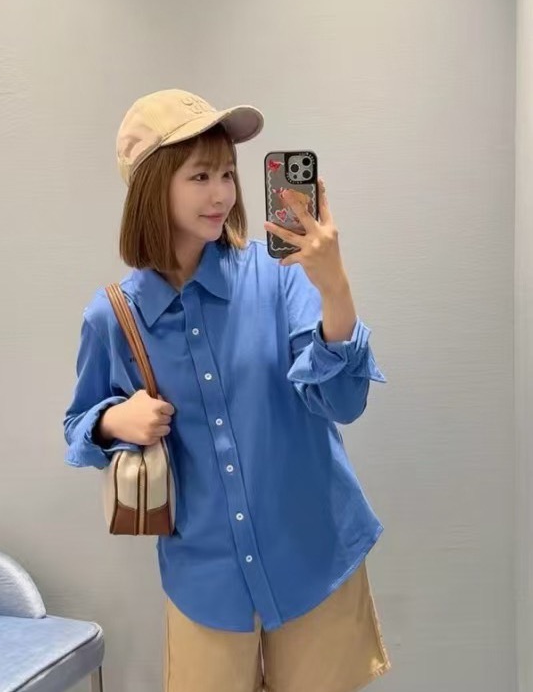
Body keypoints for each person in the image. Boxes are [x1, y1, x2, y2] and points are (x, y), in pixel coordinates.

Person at [64, 89, 391, 692]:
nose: (221, 194)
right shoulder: (114, 317)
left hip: (314, 558)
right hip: (204, 581)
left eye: (226, 174)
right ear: (152, 187)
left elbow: (343, 403)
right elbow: (78, 425)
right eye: (199, 176)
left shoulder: (278, 276)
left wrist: (335, 290)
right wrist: (114, 421)